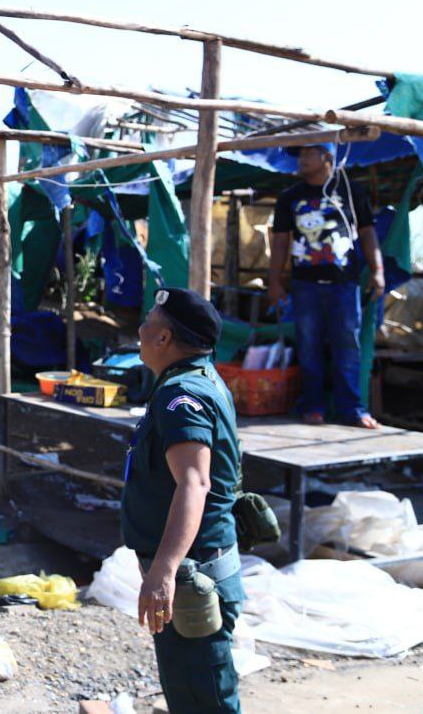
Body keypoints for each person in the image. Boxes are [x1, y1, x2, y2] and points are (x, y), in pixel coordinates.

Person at [123, 287, 244, 714]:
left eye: (148, 322)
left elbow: (194, 483)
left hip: (194, 575)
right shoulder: (199, 379)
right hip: (196, 570)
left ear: (164, 338)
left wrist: (164, 570)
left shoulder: (180, 398)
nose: (140, 329)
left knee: (203, 700)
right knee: (190, 693)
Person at [267, 143, 382, 428]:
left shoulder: (352, 192)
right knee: (309, 346)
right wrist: (275, 281)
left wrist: (378, 270)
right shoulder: (289, 197)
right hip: (304, 285)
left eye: (309, 153)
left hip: (344, 285)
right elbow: (280, 242)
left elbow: (367, 233)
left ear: (327, 156)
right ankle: (313, 407)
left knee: (348, 346)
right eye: (300, 154)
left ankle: (353, 409)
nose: (301, 159)